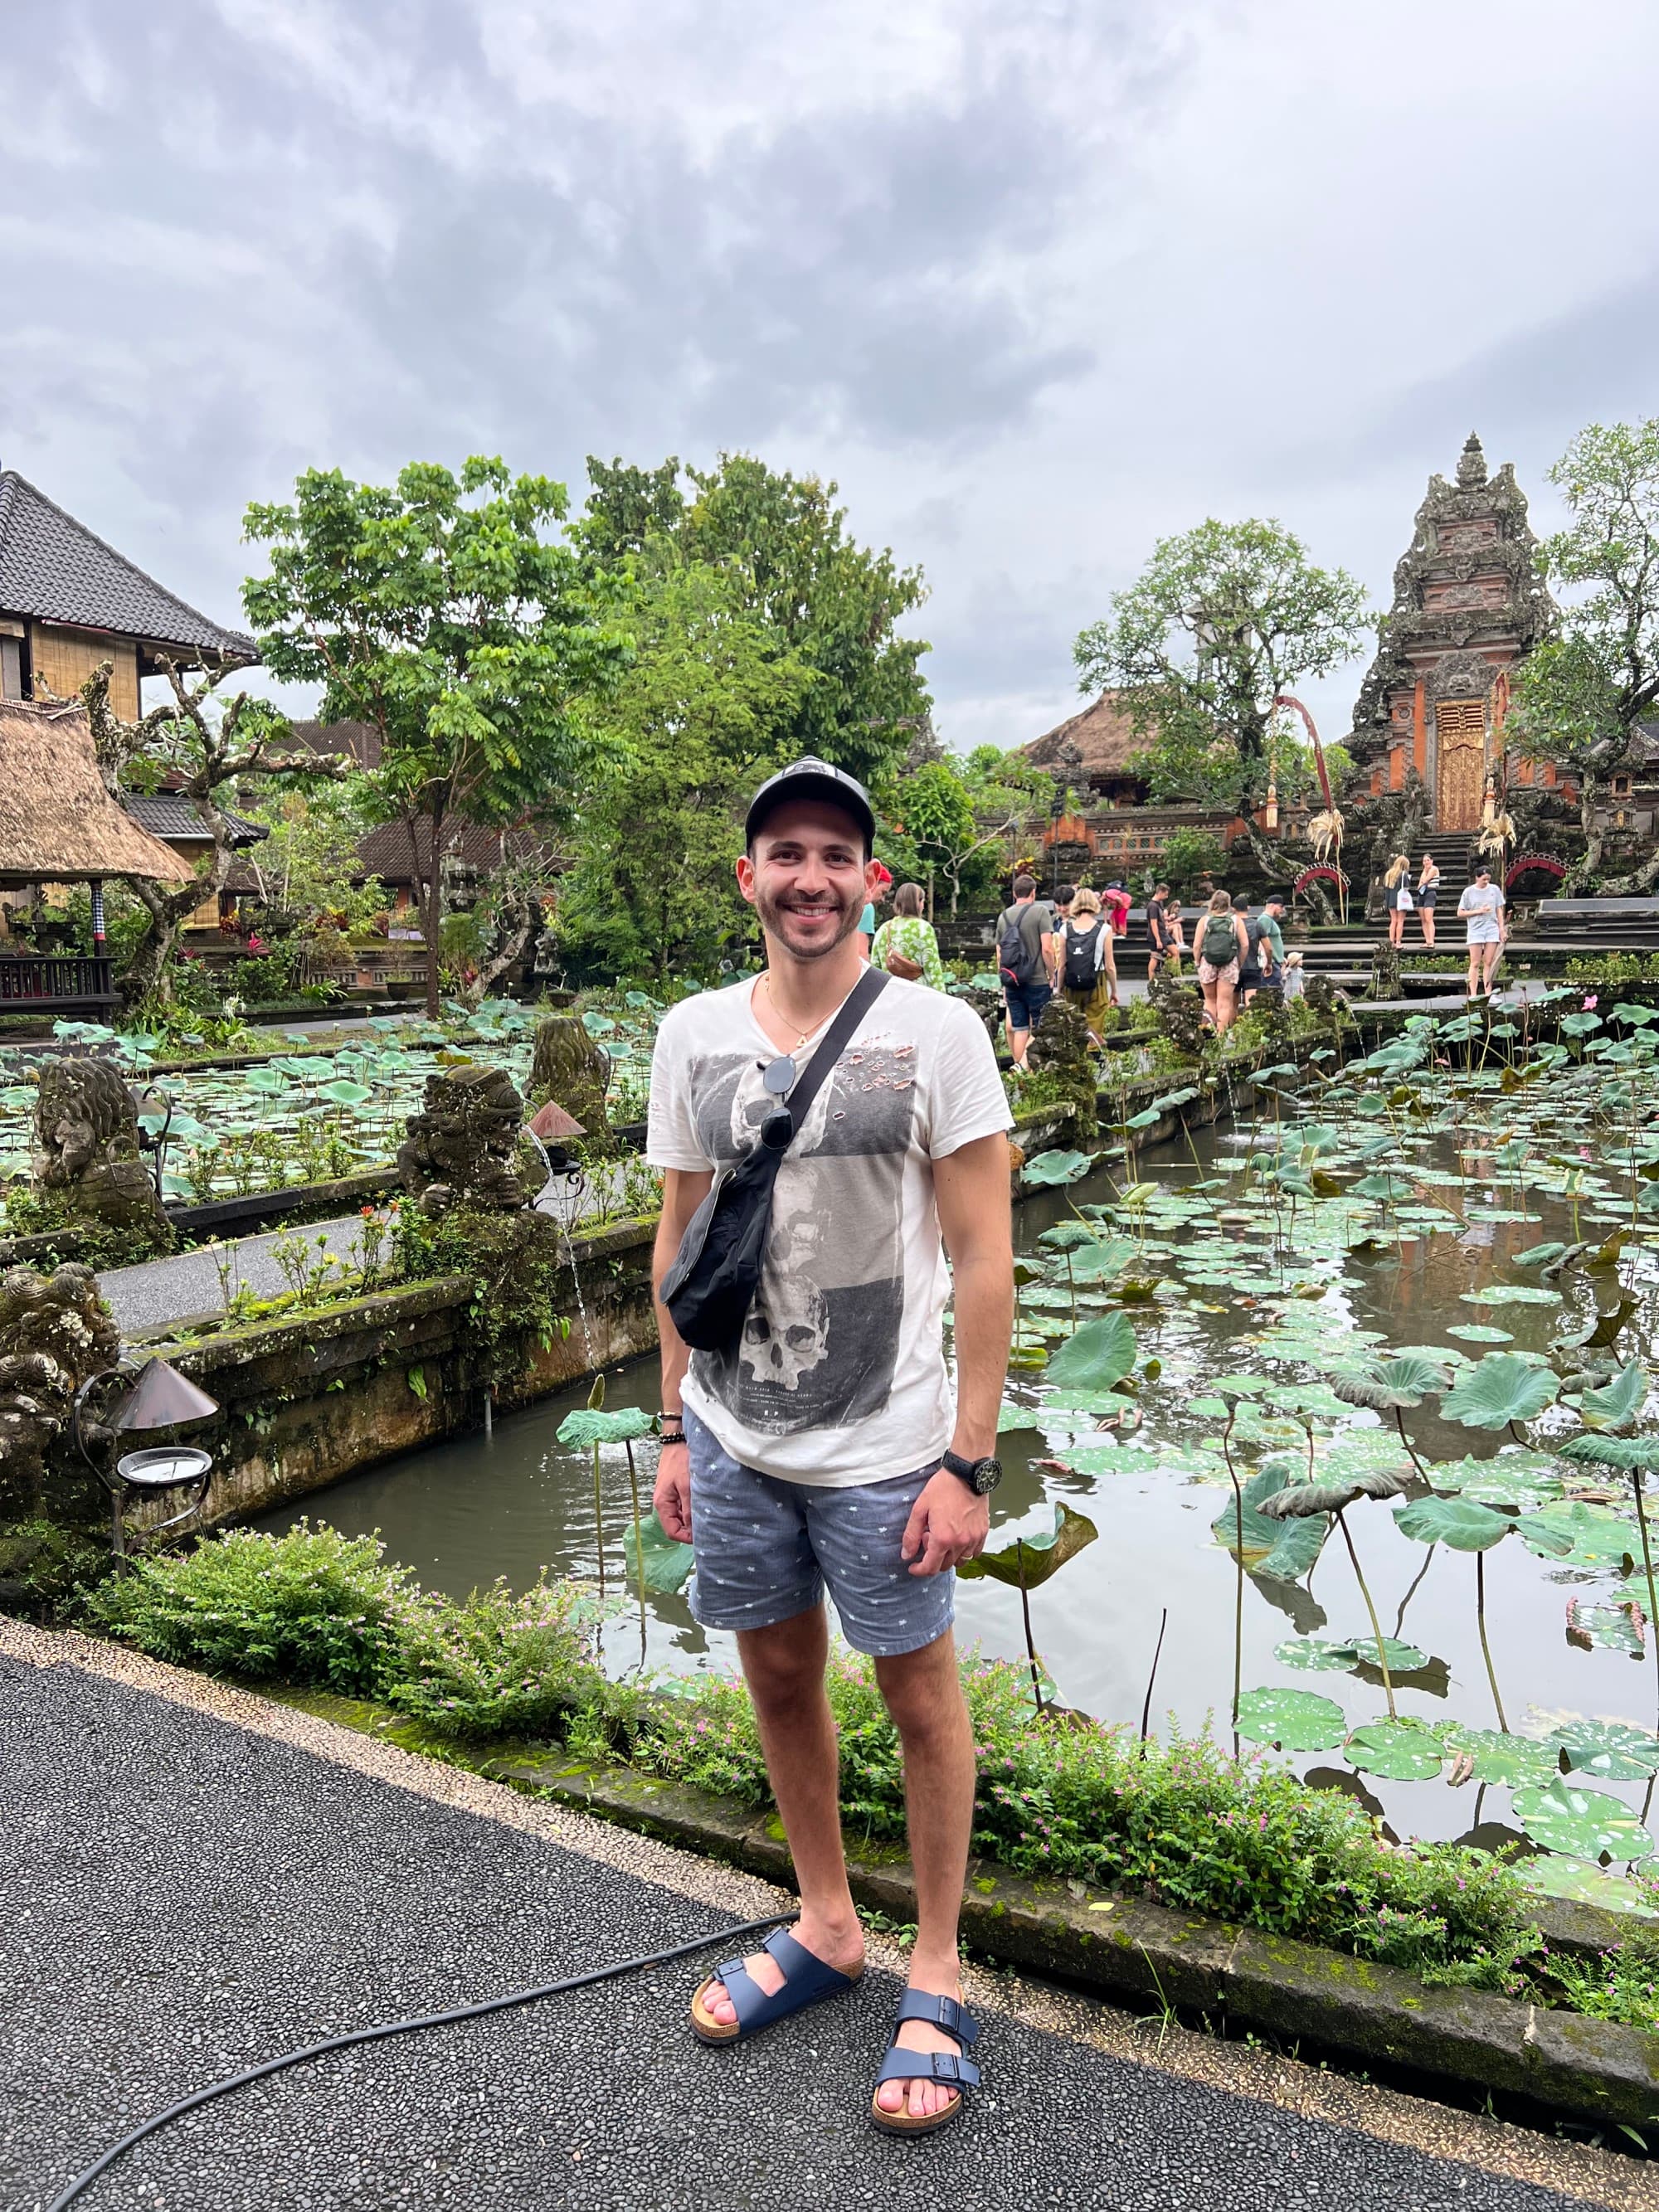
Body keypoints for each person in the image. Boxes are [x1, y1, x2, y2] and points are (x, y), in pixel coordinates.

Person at [647, 754, 1014, 2136]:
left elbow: (983, 1256)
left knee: (919, 1699)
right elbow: (679, 1241)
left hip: (887, 1444)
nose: (809, 877)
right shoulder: (691, 1034)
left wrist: (967, 1458)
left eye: (834, 854)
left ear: (872, 880)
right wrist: (677, 1422)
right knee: (781, 1674)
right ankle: (827, 1920)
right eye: (783, 853)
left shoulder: (937, 1033)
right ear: (749, 878)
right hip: (738, 1435)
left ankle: (935, 1962)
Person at [996, 872, 1057, 1072]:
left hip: (1012, 979)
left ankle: (1021, 1072)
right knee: (1040, 1027)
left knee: (1020, 1028)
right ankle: (1023, 1066)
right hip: (1036, 979)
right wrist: (1052, 974)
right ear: (1033, 893)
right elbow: (1047, 948)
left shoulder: (1003, 917)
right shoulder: (1040, 912)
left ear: (1014, 893)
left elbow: (999, 954)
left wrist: (1004, 981)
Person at [1059, 886, 1112, 1043]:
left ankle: (1076, 1060)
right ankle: (1094, 1058)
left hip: (1071, 982)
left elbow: (1061, 964)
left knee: (1073, 1025)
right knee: (1095, 1024)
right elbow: (1110, 965)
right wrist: (1114, 991)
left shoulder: (1065, 929)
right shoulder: (1104, 929)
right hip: (1097, 981)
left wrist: (1058, 989)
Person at [871, 882, 948, 989]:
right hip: (917, 994)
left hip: (890, 992)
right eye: (922, 901)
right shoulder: (924, 928)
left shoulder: (884, 928)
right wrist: (942, 998)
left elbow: (875, 966)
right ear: (918, 903)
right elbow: (932, 968)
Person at [1195, 887, 1249, 1033]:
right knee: (1225, 1003)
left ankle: (1208, 1033)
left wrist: (1197, 962)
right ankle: (1221, 1036)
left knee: (1209, 1000)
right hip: (1229, 963)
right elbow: (1245, 945)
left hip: (1208, 962)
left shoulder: (1204, 920)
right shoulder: (1235, 920)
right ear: (1229, 903)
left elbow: (1196, 945)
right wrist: (1239, 962)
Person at [1458, 863, 1506, 998]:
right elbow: (1460, 913)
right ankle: (1473, 994)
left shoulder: (1494, 890)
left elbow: (1499, 910)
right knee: (1475, 963)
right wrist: (1479, 911)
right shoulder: (1469, 892)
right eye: (1483, 879)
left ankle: (1488, 993)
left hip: (1491, 928)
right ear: (1477, 878)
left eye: (1488, 879)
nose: (1486, 882)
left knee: (1489, 962)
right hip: (1475, 929)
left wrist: (1501, 929)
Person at [1242, 891, 1287, 1005]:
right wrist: (1266, 961)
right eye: (1281, 906)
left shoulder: (1269, 920)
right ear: (1272, 905)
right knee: (1270, 994)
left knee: (1274, 993)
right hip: (1269, 963)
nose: (1282, 910)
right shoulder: (1265, 920)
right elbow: (1261, 942)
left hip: (1275, 961)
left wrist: (1281, 957)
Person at [856, 861, 893, 960]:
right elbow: (860, 953)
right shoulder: (867, 907)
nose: (882, 899)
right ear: (872, 881)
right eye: (883, 892)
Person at [1146, 882, 1176, 980]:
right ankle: (1151, 979)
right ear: (1160, 892)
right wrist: (1158, 940)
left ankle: (1171, 972)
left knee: (1175, 952)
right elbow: (1153, 923)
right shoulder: (1153, 906)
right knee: (1155, 956)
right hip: (1157, 935)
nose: (1166, 897)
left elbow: (1160, 919)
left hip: (1163, 933)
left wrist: (1167, 920)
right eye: (1165, 894)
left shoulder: (1159, 904)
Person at [1383, 854, 1413, 948]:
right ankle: (1398, 942)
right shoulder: (1403, 874)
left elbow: (1386, 889)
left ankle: (1391, 942)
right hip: (1401, 900)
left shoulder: (1389, 874)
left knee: (1393, 921)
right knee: (1400, 921)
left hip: (1391, 900)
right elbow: (1406, 887)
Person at [1416, 853, 1441, 950]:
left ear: (1431, 860)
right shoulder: (1424, 870)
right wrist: (1422, 881)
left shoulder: (1434, 869)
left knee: (1429, 918)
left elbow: (1425, 880)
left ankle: (1431, 941)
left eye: (1427, 860)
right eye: (1424, 861)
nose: (1426, 862)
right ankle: (1427, 940)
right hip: (1422, 893)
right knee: (1423, 919)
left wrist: (1423, 881)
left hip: (1430, 892)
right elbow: (1420, 883)